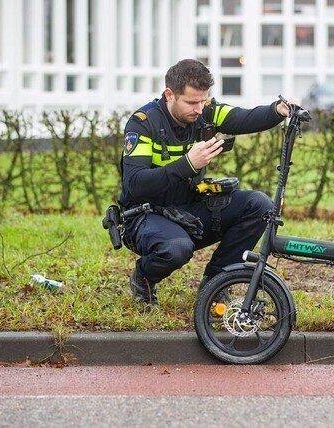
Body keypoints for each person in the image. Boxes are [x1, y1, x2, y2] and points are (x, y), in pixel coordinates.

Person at [119, 59, 291, 304]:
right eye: (191, 102)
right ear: (170, 94)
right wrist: (188, 164)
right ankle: (143, 278)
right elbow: (135, 184)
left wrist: (278, 110)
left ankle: (217, 281)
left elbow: (244, 118)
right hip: (145, 215)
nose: (199, 109)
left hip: (190, 208)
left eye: (203, 100)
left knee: (260, 205)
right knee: (177, 248)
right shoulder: (143, 123)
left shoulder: (205, 110)